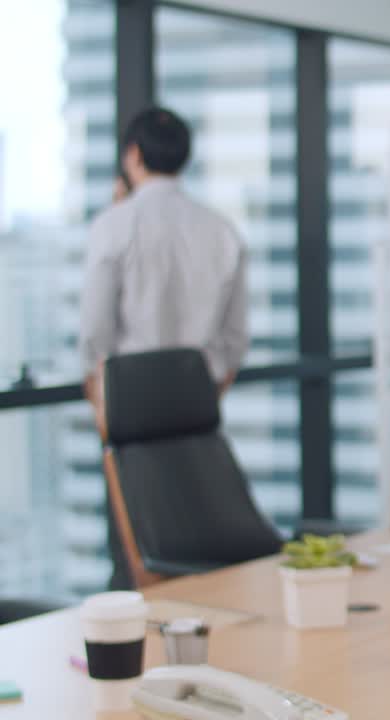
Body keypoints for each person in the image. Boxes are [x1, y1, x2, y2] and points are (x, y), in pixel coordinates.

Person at [79, 107, 249, 589]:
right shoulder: (221, 229)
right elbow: (234, 340)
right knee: (200, 545)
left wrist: (101, 403)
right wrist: (204, 397)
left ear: (133, 154)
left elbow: (95, 332)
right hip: (197, 410)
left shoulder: (114, 225)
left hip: (129, 410)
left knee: (138, 554)